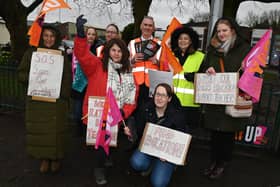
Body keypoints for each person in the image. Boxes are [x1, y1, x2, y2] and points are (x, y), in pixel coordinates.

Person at [74, 15, 138, 185]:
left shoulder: (128, 73)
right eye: (113, 50)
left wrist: (124, 111)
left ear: (124, 54)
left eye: (119, 51)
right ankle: (99, 168)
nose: (116, 53)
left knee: (112, 143)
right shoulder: (96, 65)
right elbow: (81, 55)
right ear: (108, 51)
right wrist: (81, 36)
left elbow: (133, 97)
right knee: (101, 145)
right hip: (97, 115)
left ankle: (106, 157)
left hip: (116, 116)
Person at [200, 17, 251, 179]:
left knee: (227, 135)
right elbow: (201, 70)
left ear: (233, 31)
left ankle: (222, 163)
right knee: (215, 134)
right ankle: (214, 161)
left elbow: (254, 74)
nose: (221, 34)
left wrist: (244, 70)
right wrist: (207, 70)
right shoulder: (212, 50)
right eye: (219, 31)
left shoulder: (244, 49)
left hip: (231, 99)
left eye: (225, 30)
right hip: (215, 99)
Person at [18, 24, 72, 173]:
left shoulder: (61, 56)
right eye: (46, 35)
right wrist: (33, 78)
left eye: (52, 36)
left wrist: (62, 95)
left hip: (56, 101)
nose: (49, 39)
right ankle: (44, 158)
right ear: (42, 37)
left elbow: (67, 78)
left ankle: (55, 158)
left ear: (56, 38)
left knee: (55, 132)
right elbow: (21, 74)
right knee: (40, 132)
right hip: (37, 101)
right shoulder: (32, 53)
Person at [126, 83, 186, 187]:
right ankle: (150, 164)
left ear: (169, 98)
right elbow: (138, 130)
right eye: (157, 94)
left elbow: (182, 139)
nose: (159, 98)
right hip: (149, 148)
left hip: (165, 155)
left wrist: (169, 155)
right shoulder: (145, 109)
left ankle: (166, 166)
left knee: (158, 183)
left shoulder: (177, 116)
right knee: (136, 162)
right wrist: (130, 131)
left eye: (163, 95)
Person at [128, 16, 161, 132]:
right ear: (141, 26)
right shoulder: (132, 43)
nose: (147, 27)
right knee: (134, 114)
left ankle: (146, 142)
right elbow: (125, 64)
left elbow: (165, 66)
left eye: (150, 25)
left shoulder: (159, 44)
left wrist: (157, 62)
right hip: (135, 85)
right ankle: (134, 140)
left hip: (152, 85)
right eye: (145, 25)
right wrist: (132, 60)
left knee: (149, 115)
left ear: (154, 28)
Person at [170, 26, 205, 130]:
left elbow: (205, 78)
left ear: (191, 41)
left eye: (186, 38)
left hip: (191, 105)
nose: (182, 41)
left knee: (188, 135)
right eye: (180, 38)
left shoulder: (201, 56)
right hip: (172, 102)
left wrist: (194, 76)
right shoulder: (171, 56)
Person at [71, 26, 102, 137]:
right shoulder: (77, 48)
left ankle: (88, 133)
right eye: (89, 34)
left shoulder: (98, 49)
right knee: (78, 112)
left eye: (93, 34)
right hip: (79, 84)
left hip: (91, 85)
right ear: (86, 35)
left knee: (90, 111)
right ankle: (79, 131)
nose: (91, 36)